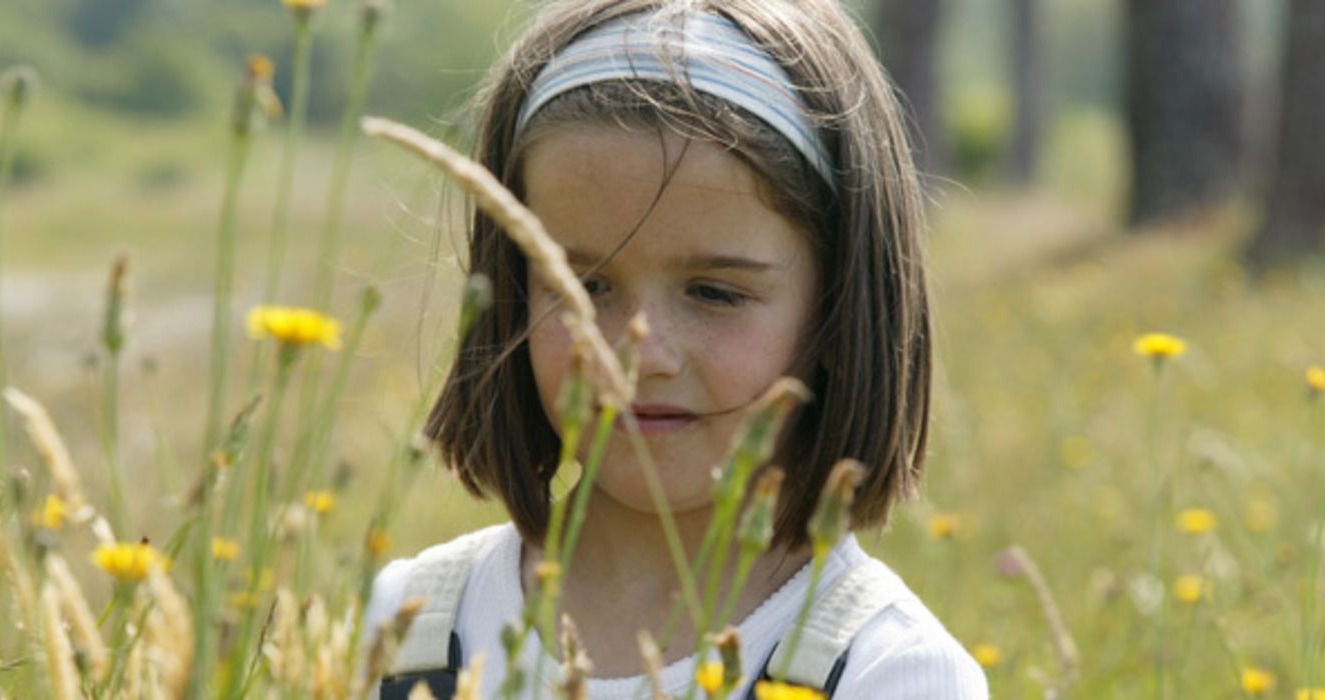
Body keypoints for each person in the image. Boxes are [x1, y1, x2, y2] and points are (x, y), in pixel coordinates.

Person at [365, 0, 987, 697]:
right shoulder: (405, 628)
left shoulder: (887, 673)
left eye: (714, 293)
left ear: (838, 313)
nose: (637, 354)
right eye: (583, 285)